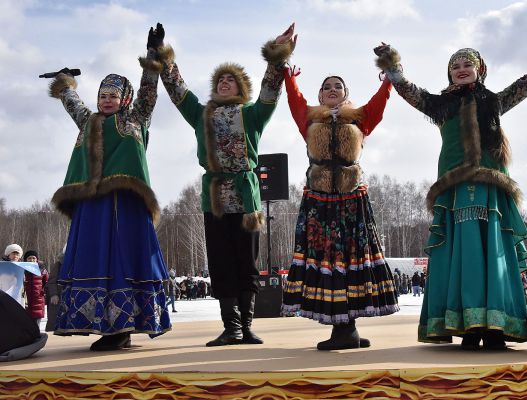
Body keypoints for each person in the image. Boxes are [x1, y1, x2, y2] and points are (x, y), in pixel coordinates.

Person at [374, 24, 527, 350]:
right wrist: (392, 64)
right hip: (453, 188)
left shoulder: (494, 101)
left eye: (467, 64)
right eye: (455, 65)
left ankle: (495, 326)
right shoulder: (439, 105)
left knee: (492, 251)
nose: (461, 69)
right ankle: (467, 326)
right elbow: (407, 89)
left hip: (490, 184)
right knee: (460, 253)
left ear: (480, 70)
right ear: (449, 73)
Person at [158, 24, 296, 347]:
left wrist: (278, 56)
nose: (223, 82)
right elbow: (179, 91)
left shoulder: (252, 113)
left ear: (239, 87)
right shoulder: (201, 113)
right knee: (221, 263)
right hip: (215, 198)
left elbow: (270, 91)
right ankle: (230, 326)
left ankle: (247, 326)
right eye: (219, 80)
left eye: (229, 79)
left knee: (247, 264)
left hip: (247, 198)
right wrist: (163, 56)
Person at [47, 24, 171, 351]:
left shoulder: (136, 118)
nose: (106, 100)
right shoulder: (90, 122)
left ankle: (122, 329)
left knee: (123, 261)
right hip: (94, 205)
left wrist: (153, 54)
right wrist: (65, 83)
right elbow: (71, 101)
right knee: (95, 260)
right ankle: (105, 325)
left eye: (113, 95)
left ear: (124, 98)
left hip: (126, 206)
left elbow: (148, 88)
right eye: (102, 95)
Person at [280, 36, 399, 351]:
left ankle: (347, 330)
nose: (332, 90)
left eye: (338, 86)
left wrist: (388, 79)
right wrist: (288, 78)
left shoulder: (360, 119)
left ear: (346, 94)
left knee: (348, 260)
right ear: (319, 95)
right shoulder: (309, 120)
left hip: (350, 203)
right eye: (327, 87)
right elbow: (293, 101)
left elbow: (380, 103)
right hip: (320, 203)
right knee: (329, 262)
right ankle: (345, 329)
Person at [22, 250, 49, 327]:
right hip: (26, 300)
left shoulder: (42, 270)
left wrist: (43, 291)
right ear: (26, 260)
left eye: (34, 258)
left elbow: (47, 282)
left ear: (37, 259)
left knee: (36, 324)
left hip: (38, 300)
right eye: (29, 258)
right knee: (26, 324)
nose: (32, 260)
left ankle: (37, 337)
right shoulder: (22, 270)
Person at [45, 247, 64, 332]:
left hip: (72, 298)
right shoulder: (59, 264)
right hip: (58, 297)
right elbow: (51, 281)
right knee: (53, 322)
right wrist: (54, 294)